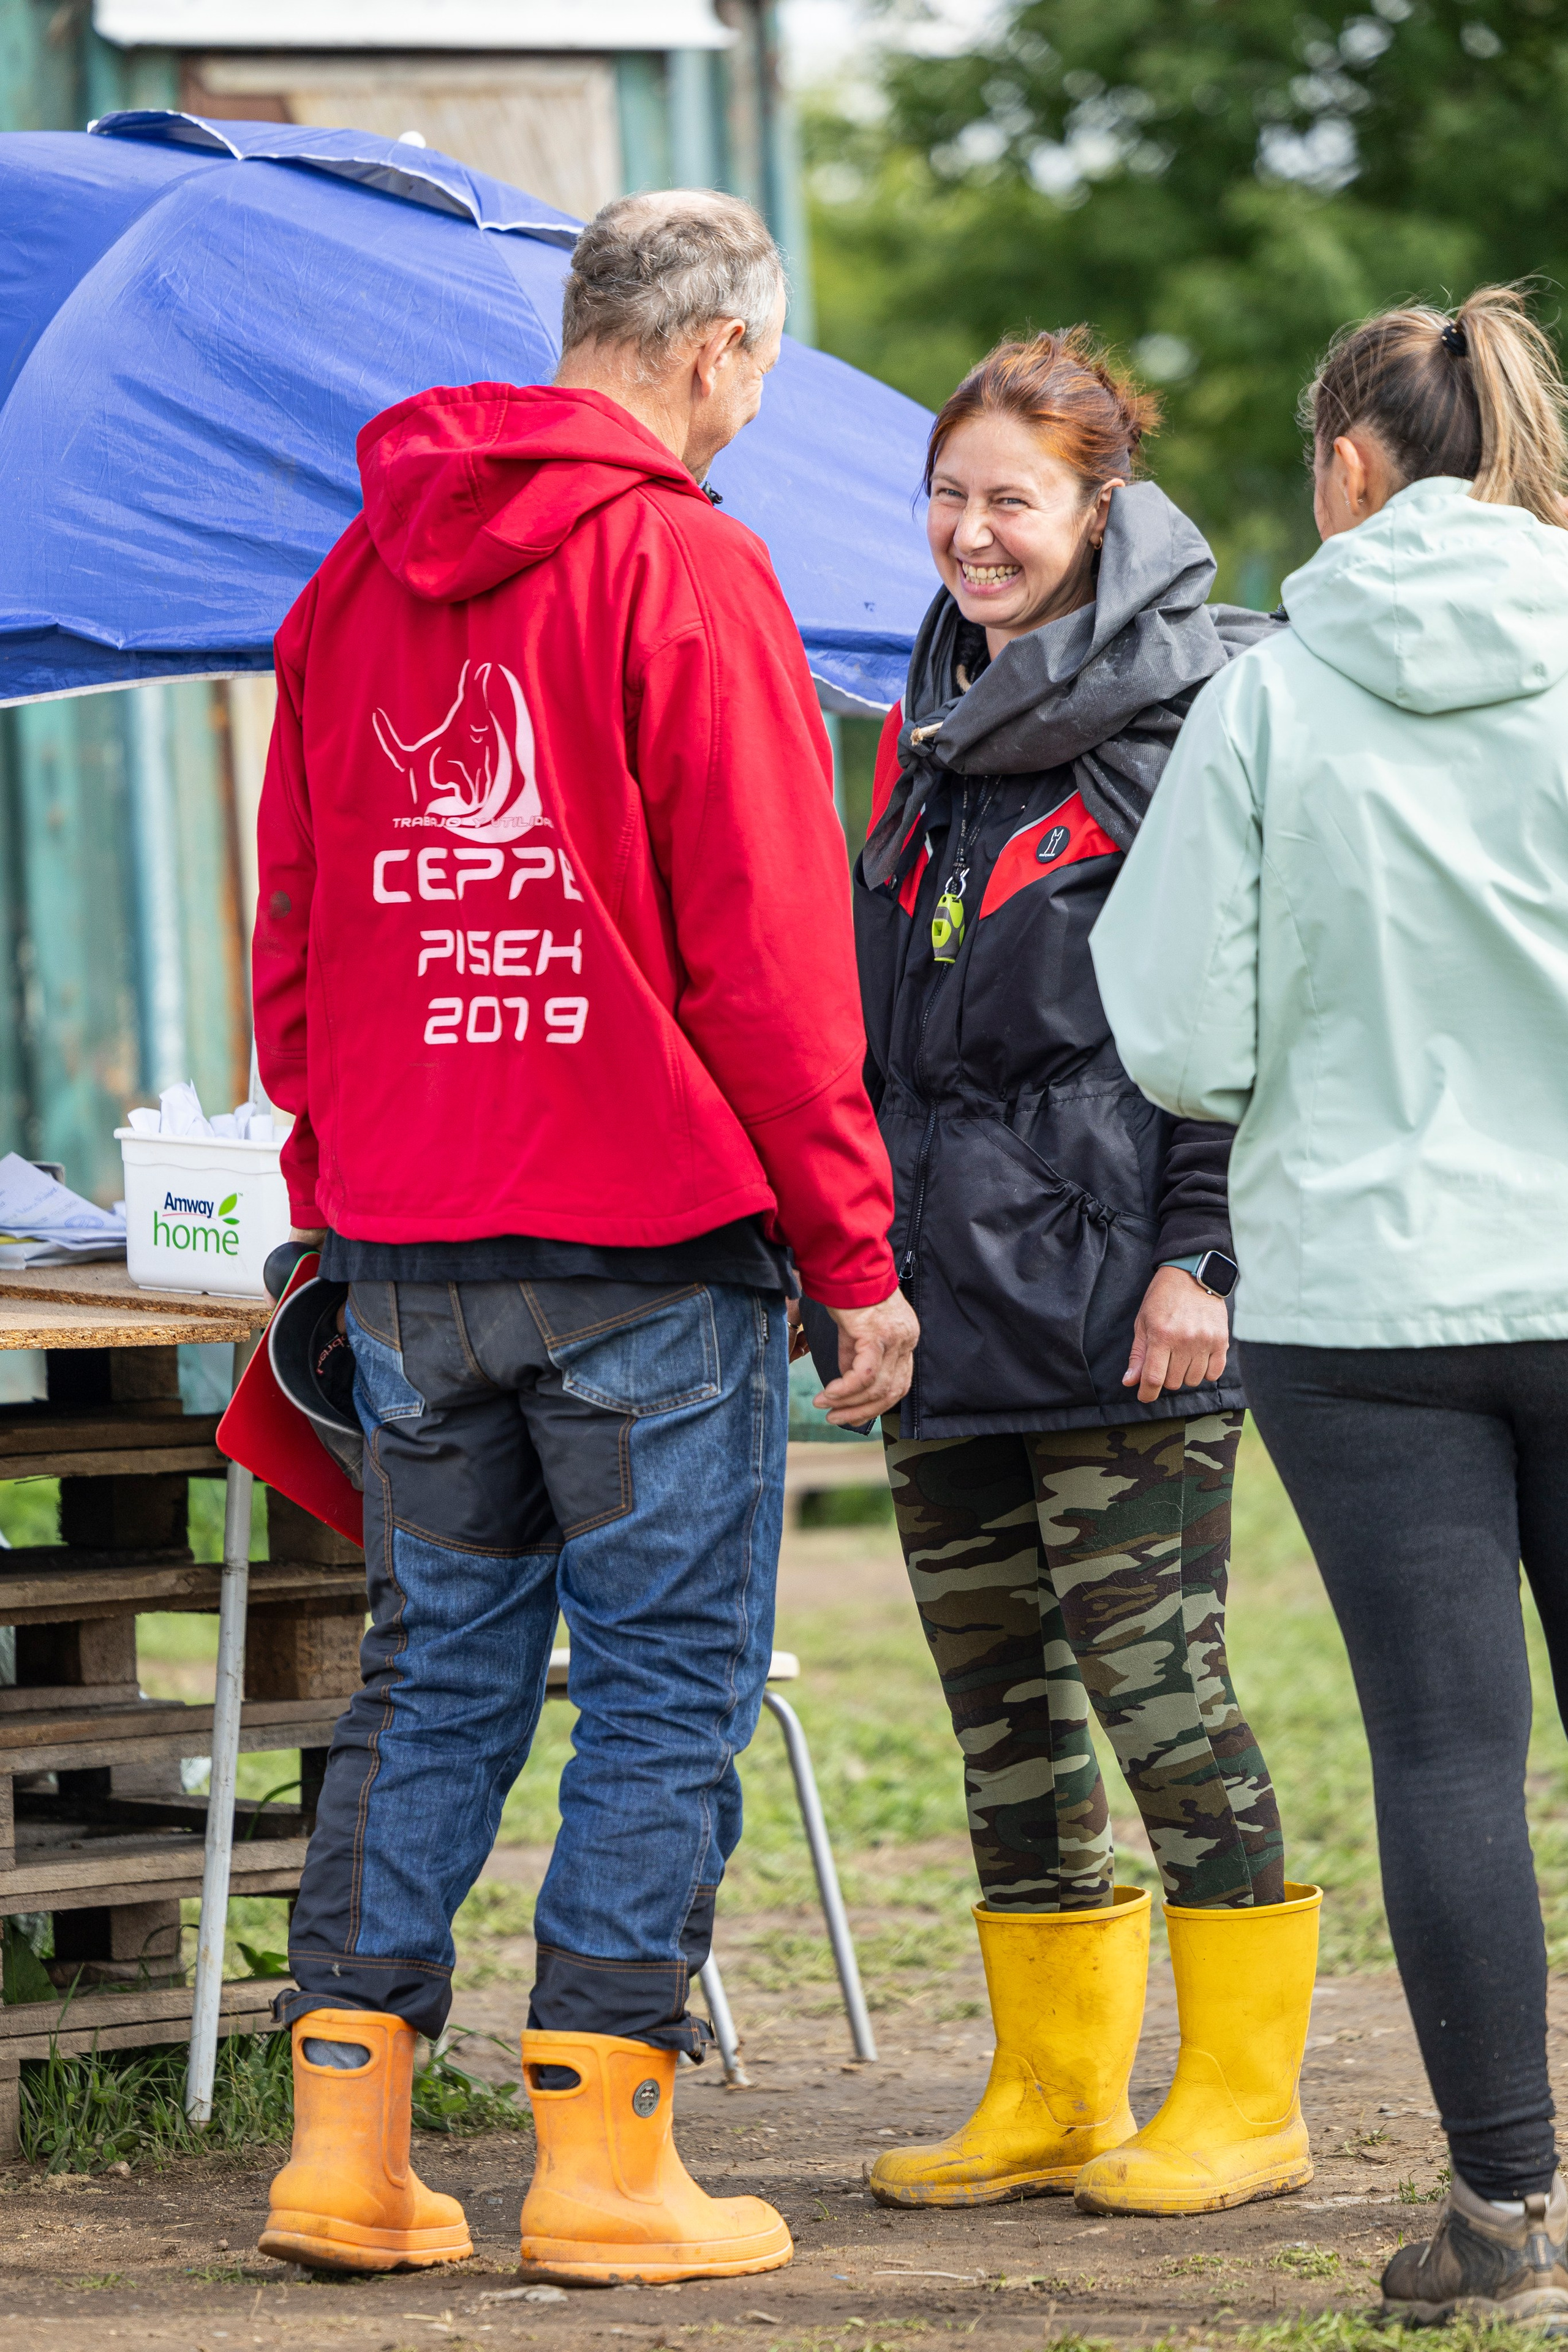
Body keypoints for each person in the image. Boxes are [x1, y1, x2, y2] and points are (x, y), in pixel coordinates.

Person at [250, 187, 918, 2285]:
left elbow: (293, 954)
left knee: (433, 1675)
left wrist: (351, 1169)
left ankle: (343, 2153)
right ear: (718, 351)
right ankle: (608, 2164)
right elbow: (771, 960)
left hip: (413, 1253)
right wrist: (855, 1249)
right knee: (660, 1687)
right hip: (639, 1248)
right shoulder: (690, 568)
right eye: (767, 370)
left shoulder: (354, 579)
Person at [1093, 284, 1568, 2322]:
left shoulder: (1267, 698)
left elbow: (1185, 1039)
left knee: (1451, 1759)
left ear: (1351, 468)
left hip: (1371, 1299)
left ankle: (1503, 2223)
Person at [850, 328, 1320, 2222]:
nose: (972, 533)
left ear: (1099, 508)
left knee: (1163, 1698)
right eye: (950, 496)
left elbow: (1237, 1004)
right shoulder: (937, 712)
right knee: (1003, 1716)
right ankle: (1053, 2092)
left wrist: (1202, 1252)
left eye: (1011, 501)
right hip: (944, 1297)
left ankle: (1241, 2099)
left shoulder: (1188, 707)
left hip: (1132, 1296)